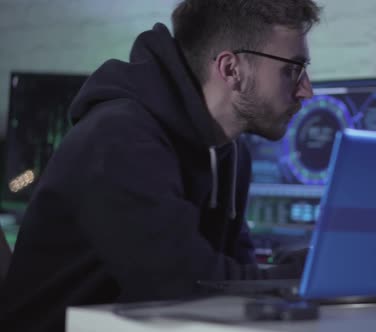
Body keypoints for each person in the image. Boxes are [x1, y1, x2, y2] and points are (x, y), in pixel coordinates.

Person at [0, 0, 322, 331]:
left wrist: (305, 272)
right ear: (230, 69)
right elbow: (183, 287)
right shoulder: (118, 138)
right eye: (292, 69)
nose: (306, 90)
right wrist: (312, 272)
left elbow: (236, 283)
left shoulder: (230, 152)